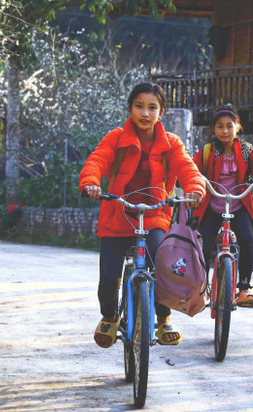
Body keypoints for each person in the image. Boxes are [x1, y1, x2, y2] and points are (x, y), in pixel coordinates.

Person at [79, 82, 204, 348]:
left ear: (161, 112)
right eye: (139, 106)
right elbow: (97, 160)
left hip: (154, 215)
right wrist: (91, 182)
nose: (145, 113)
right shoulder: (116, 138)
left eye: (152, 107)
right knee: (109, 278)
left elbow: (187, 168)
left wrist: (194, 188)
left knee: (162, 268)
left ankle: (164, 319)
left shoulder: (171, 143)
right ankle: (110, 317)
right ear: (129, 109)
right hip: (117, 214)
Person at [192, 104, 253, 307]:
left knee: (247, 239)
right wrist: (191, 186)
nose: (225, 131)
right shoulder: (207, 151)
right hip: (213, 206)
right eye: (220, 126)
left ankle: (244, 288)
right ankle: (202, 289)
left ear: (237, 127)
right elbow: (191, 170)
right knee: (203, 244)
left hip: (237, 205)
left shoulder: (246, 151)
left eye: (229, 126)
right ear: (213, 129)